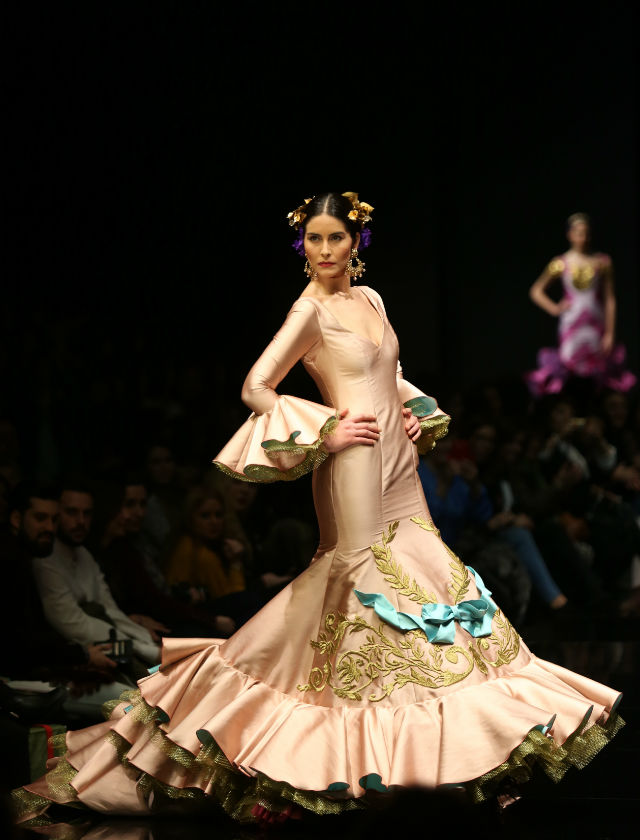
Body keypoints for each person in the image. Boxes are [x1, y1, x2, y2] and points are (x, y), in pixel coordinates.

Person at [16, 193, 623, 826]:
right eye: (314, 238)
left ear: (357, 241)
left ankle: (438, 757)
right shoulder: (308, 309)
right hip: (351, 459)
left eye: (336, 237)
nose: (325, 250)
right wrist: (326, 431)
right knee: (364, 585)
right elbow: (256, 386)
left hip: (398, 460)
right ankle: (331, 749)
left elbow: (387, 373)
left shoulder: (372, 299)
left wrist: (413, 413)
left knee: (428, 582)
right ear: (301, 244)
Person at [2, 482, 131, 722]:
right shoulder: (9, 561)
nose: (49, 528)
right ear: (17, 519)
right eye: (40, 518)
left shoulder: (25, 557)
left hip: (37, 671)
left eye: (54, 519)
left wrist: (78, 659)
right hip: (15, 682)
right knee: (133, 705)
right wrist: (80, 657)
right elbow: (20, 644)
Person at [31, 482, 161, 672]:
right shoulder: (44, 558)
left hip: (109, 647)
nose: (80, 521)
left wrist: (146, 640)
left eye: (87, 514)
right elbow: (73, 624)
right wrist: (143, 648)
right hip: (72, 658)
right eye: (71, 512)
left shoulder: (84, 554)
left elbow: (110, 608)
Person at [526, 213, 636, 397]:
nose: (583, 238)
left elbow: (610, 299)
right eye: (578, 233)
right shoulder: (561, 263)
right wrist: (555, 308)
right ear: (570, 235)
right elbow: (536, 290)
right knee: (570, 366)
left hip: (595, 322)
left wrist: (610, 332)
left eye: (586, 233)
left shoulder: (602, 262)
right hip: (572, 323)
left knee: (598, 369)